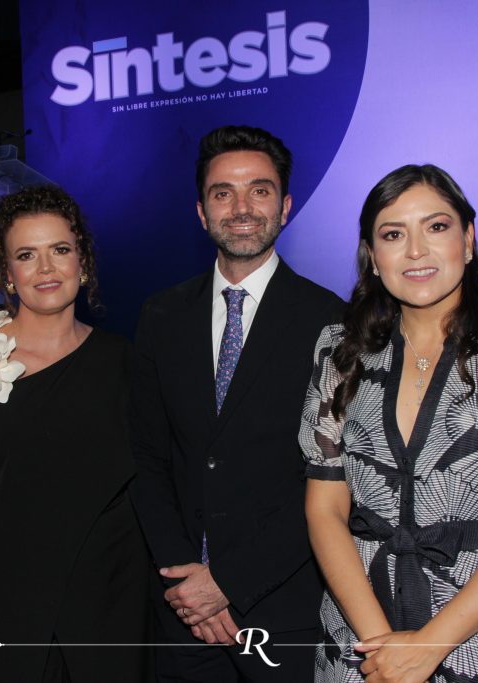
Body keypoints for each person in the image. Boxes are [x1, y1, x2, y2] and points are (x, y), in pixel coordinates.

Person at [300, 164, 478, 683]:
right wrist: (381, 648)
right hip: (360, 633)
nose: (416, 251)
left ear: (469, 240)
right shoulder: (339, 353)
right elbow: (325, 509)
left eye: (436, 227)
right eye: (393, 235)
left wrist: (426, 648)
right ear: (372, 256)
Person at [130, 125, 345, 681]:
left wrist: (226, 582)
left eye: (260, 190)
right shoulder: (160, 315)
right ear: (201, 211)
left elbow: (330, 478)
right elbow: (147, 457)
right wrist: (186, 579)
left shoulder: (332, 321)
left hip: (282, 607)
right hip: (180, 609)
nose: (242, 208)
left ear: (285, 206)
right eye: (223, 192)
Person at [0, 185, 149, 682]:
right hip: (4, 594)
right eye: (27, 255)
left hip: (110, 595)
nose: (46, 268)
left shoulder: (123, 361)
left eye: (60, 250)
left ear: (83, 263)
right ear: (7, 273)